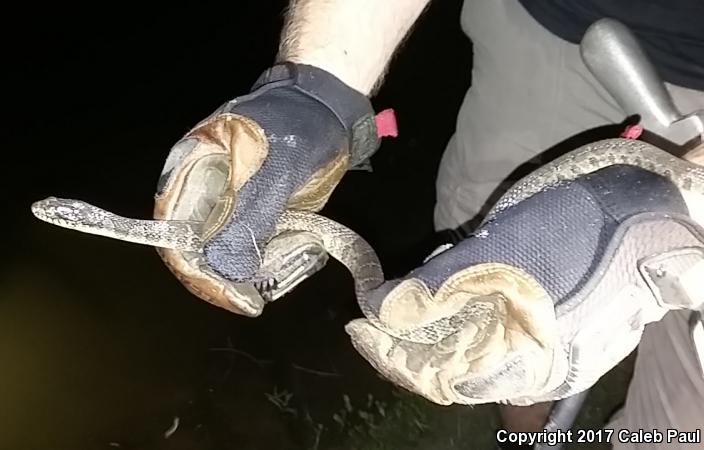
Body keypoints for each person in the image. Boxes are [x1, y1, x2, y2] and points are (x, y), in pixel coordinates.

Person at [153, 1, 704, 448]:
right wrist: (316, 88)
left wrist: (671, 193)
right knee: (484, 309)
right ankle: (530, 434)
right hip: (554, 28)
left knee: (679, 422)